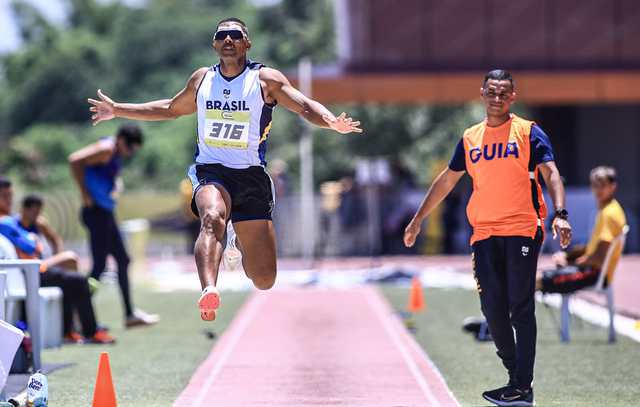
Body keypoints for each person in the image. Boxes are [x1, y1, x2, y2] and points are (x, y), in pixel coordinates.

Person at [87, 17, 362, 321]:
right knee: (211, 217)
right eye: (222, 35)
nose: (228, 39)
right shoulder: (202, 79)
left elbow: (304, 105)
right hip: (211, 170)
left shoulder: (265, 80)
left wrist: (330, 121)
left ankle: (238, 238)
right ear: (215, 44)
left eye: (235, 34)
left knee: (264, 278)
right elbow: (169, 109)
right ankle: (208, 289)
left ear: (247, 43)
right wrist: (117, 109)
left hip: (251, 175)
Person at [403, 70, 572, 407]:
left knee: (519, 305)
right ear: (482, 93)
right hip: (484, 233)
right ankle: (515, 376)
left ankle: (521, 385)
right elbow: (447, 180)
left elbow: (551, 172)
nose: (497, 98)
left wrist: (561, 214)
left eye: (503, 93)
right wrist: (418, 219)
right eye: (491, 92)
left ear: (512, 96)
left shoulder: (528, 132)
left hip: (523, 227)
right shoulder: (470, 138)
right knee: (492, 307)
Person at [0, 177, 115, 344]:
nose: (9, 200)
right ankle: (90, 331)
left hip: (29, 271)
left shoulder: (12, 221)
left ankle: (68, 331)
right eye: (4, 196)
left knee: (69, 278)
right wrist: (33, 239)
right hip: (28, 274)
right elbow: (31, 247)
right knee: (77, 280)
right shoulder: (5, 223)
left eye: (10, 195)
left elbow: (41, 244)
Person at [68, 123, 159, 328]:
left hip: (105, 212)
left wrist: (115, 182)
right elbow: (75, 161)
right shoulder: (107, 148)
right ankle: (74, 315)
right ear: (121, 140)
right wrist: (85, 194)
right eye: (130, 149)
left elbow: (102, 172)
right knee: (99, 266)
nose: (130, 154)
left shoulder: (114, 152)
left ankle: (129, 315)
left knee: (123, 260)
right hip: (96, 212)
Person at [539, 166, 626, 294]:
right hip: (591, 271)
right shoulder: (607, 210)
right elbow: (591, 248)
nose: (598, 190)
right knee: (535, 277)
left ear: (613, 187)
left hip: (595, 274)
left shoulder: (609, 214)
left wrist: (570, 263)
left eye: (603, 185)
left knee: (535, 281)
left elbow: (598, 259)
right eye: (595, 185)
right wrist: (567, 257)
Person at [17, 194, 80, 272]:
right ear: (24, 209)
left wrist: (57, 254)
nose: (37, 215)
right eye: (34, 212)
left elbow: (54, 240)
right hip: (26, 264)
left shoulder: (39, 224)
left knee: (71, 258)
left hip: (42, 263)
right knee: (70, 257)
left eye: (38, 212)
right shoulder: (14, 225)